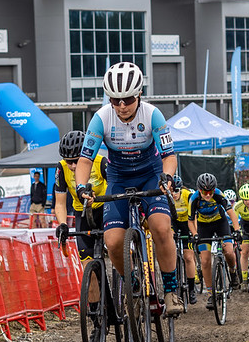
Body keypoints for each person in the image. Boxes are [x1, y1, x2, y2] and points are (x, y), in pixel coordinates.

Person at [74, 61, 182, 318]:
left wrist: (167, 177)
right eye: (115, 99)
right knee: (112, 242)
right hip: (119, 178)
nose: (121, 106)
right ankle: (132, 280)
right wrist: (81, 186)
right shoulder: (101, 118)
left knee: (161, 227)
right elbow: (86, 160)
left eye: (128, 99)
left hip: (150, 175)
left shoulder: (153, 115)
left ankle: (170, 289)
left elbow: (169, 155)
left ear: (139, 94)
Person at [188, 173, 242, 310]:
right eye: (205, 192)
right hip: (203, 227)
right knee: (205, 261)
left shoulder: (218, 194)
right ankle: (211, 294)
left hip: (220, 223)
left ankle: (233, 272)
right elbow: (190, 221)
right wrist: (195, 234)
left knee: (229, 251)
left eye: (210, 191)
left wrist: (236, 229)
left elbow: (231, 212)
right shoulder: (194, 198)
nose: (208, 195)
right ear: (199, 190)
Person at [54, 130, 108, 260]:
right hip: (81, 212)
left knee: (115, 246)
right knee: (87, 260)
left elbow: (115, 187)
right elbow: (60, 203)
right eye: (68, 161)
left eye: (76, 161)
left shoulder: (100, 161)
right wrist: (63, 224)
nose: (72, 166)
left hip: (104, 208)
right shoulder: (61, 168)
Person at [170, 174, 197, 304]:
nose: (174, 194)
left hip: (187, 224)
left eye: (176, 191)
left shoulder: (188, 196)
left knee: (188, 257)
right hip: (174, 223)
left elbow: (194, 216)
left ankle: (192, 289)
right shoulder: (167, 197)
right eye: (172, 191)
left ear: (180, 189)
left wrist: (194, 232)